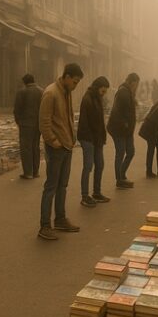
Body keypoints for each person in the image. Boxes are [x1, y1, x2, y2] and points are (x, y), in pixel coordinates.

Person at [38, 63, 83, 240]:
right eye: (75, 81)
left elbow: (68, 118)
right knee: (51, 187)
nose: (76, 85)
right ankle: (44, 226)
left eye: (78, 82)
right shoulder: (51, 93)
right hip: (56, 147)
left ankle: (60, 218)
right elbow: (44, 122)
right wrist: (54, 142)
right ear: (66, 77)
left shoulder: (66, 92)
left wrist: (71, 139)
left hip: (67, 146)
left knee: (62, 186)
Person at [77, 76, 112, 207]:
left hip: (97, 138)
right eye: (103, 91)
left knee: (100, 164)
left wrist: (102, 137)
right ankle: (85, 196)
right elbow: (86, 122)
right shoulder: (88, 99)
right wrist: (90, 140)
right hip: (88, 138)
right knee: (88, 166)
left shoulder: (97, 98)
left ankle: (97, 193)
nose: (104, 94)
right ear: (97, 88)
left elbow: (99, 121)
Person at [107, 73, 140, 189]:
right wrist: (125, 124)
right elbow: (119, 112)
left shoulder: (128, 92)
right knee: (120, 153)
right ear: (132, 82)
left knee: (130, 152)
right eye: (137, 84)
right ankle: (119, 180)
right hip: (119, 129)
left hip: (127, 130)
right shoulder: (123, 92)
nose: (137, 86)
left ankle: (121, 175)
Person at [13, 74, 43, 179]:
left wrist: (18, 121)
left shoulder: (22, 92)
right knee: (35, 147)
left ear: (25, 82)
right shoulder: (41, 91)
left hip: (26, 124)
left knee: (26, 148)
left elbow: (17, 109)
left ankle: (28, 172)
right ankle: (36, 172)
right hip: (38, 124)